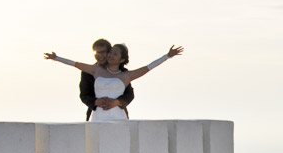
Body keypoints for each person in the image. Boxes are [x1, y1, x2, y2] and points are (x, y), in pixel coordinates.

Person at [44, 44, 184, 121]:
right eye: (110, 52)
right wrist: (56, 58)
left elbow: (149, 67)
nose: (110, 55)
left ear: (122, 60)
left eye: (115, 54)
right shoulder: (96, 70)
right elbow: (75, 64)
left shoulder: (126, 76)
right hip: (99, 114)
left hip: (118, 114)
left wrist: (167, 56)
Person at [81, 39, 135, 121]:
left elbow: (129, 94)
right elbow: (84, 95)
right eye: (97, 52)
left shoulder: (122, 72)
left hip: (118, 116)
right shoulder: (88, 72)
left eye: (103, 52)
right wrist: (95, 102)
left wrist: (117, 102)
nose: (99, 55)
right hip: (96, 115)